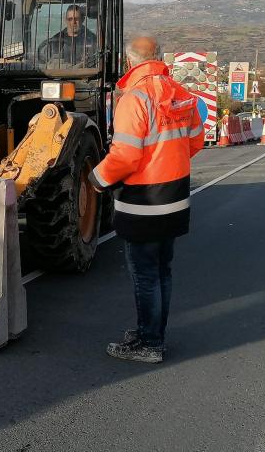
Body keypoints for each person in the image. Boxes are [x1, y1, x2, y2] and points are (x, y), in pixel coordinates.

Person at [88, 35, 205, 363]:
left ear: (129, 62)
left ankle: (149, 343)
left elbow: (124, 156)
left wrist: (96, 180)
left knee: (144, 274)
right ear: (159, 57)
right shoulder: (182, 94)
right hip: (175, 197)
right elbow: (195, 143)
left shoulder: (135, 98)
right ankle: (152, 332)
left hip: (144, 202)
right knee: (161, 271)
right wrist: (170, 162)